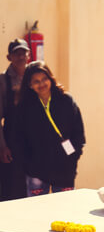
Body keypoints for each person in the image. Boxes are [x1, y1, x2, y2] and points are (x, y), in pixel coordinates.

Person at [11, 61, 85, 195]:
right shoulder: (24, 107)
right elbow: (18, 138)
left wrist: (73, 156)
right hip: (36, 171)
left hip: (64, 168)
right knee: (38, 207)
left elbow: (78, 131)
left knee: (65, 206)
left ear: (50, 78)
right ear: (30, 85)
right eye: (36, 81)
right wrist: (27, 164)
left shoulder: (66, 100)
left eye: (44, 79)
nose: (42, 84)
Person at [0, 39, 30, 200]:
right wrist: (3, 146)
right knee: (11, 188)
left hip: (31, 141)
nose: (21, 57)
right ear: (9, 57)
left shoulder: (34, 76)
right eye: (16, 53)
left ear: (29, 55)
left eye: (23, 53)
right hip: (11, 140)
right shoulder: (3, 81)